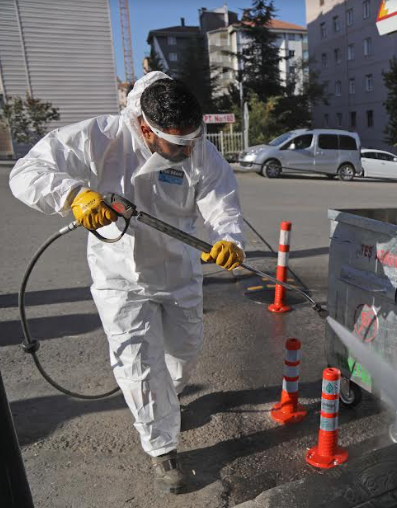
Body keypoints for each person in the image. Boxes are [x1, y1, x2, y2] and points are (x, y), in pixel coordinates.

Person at [9, 72, 245, 494]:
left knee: (183, 352)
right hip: (121, 278)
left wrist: (229, 239)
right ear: (144, 128)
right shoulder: (101, 137)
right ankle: (162, 446)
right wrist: (72, 194)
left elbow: (222, 201)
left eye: (193, 140)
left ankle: (168, 403)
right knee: (139, 367)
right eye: (177, 144)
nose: (187, 150)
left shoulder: (199, 151)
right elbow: (27, 171)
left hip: (180, 273)